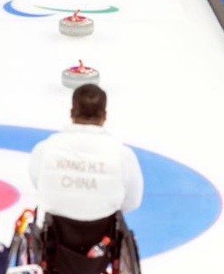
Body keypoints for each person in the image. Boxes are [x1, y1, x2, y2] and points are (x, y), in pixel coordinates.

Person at [29, 84, 144, 224]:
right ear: (105, 115)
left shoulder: (44, 149)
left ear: (71, 112)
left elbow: (40, 185)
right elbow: (132, 201)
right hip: (104, 236)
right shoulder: (123, 155)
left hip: (54, 237)